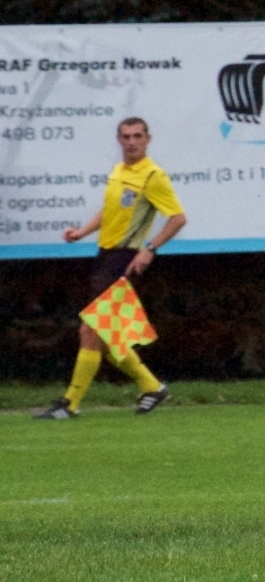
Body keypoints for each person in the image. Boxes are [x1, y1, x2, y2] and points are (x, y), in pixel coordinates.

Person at [35, 117, 188, 419]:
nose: (131, 142)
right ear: (119, 140)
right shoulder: (119, 171)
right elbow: (110, 211)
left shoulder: (153, 176)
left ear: (148, 139)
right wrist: (81, 232)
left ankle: (71, 404)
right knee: (105, 333)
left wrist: (150, 249)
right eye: (126, 136)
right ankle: (152, 385)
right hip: (105, 256)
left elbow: (178, 218)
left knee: (90, 329)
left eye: (137, 136)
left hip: (125, 259)